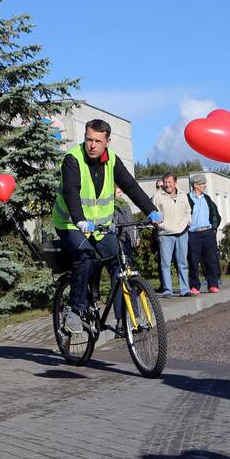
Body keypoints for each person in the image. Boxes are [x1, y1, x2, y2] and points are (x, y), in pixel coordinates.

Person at [52, 120, 160, 336]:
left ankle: (124, 320)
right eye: (89, 139)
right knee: (86, 257)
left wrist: (151, 210)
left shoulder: (111, 160)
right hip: (71, 224)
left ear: (107, 142)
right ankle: (76, 310)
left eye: (98, 141)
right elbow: (71, 192)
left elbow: (130, 186)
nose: (92, 145)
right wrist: (80, 219)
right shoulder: (72, 159)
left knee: (120, 264)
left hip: (99, 226)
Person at [152, 172, 192, 298]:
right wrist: (161, 225)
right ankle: (167, 290)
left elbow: (188, 211)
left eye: (170, 182)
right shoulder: (158, 196)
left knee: (182, 262)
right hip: (165, 234)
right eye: (165, 182)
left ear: (175, 182)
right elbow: (153, 214)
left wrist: (187, 223)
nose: (167, 185)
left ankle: (185, 289)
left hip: (182, 232)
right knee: (165, 264)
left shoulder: (183, 195)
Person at [187, 173, 222, 294]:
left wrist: (213, 228)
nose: (204, 186)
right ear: (195, 185)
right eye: (202, 184)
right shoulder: (187, 198)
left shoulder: (207, 198)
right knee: (193, 260)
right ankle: (194, 286)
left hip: (208, 232)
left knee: (211, 259)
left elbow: (215, 215)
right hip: (193, 234)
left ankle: (213, 284)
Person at [112, 187, 141, 268]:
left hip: (129, 237)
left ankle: (131, 278)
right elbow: (114, 221)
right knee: (123, 260)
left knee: (130, 260)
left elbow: (132, 221)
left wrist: (137, 236)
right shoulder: (113, 206)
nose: (120, 194)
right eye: (118, 193)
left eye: (121, 192)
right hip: (120, 237)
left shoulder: (126, 205)